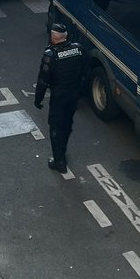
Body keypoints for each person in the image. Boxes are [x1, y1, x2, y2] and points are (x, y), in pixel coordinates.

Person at [34, 23, 88, 172]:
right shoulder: (78, 49)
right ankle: (62, 150)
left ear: (53, 37)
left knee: (56, 128)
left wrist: (38, 100)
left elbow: (43, 80)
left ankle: (59, 161)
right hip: (74, 95)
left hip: (59, 97)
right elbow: (85, 70)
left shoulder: (50, 55)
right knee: (67, 124)